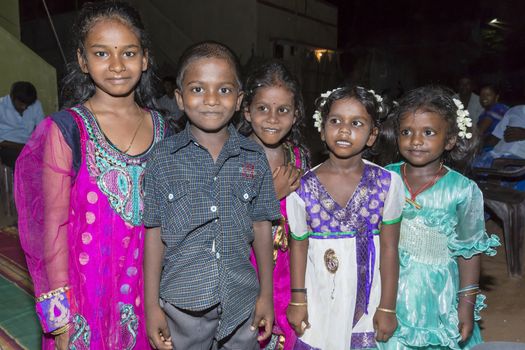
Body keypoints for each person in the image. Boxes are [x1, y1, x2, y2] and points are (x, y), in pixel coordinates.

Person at [14, 2, 169, 349]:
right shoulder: (67, 129)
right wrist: (59, 318)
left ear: (145, 59)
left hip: (145, 297)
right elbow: (50, 229)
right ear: (83, 61)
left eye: (128, 52)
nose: (116, 65)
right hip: (82, 300)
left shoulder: (164, 131)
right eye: (102, 53)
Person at [143, 42, 281, 350]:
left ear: (238, 100)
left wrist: (266, 296)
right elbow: (154, 233)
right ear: (179, 98)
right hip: (183, 304)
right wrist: (152, 306)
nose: (210, 100)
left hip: (242, 299)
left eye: (223, 90)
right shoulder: (163, 158)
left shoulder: (254, 157)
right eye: (197, 89)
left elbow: (262, 227)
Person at [378, 86, 500, 350]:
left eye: (428, 132)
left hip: (437, 294)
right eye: (406, 132)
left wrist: (466, 306)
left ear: (450, 140)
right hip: (388, 285)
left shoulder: (463, 190)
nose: (415, 140)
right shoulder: (385, 178)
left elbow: (469, 252)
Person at [286, 86, 405, 349]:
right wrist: (298, 300)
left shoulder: (387, 183)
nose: (343, 129)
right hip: (319, 295)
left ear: (372, 135)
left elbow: (389, 248)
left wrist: (387, 306)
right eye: (335, 121)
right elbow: (299, 245)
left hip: (368, 296)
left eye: (356, 123)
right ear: (322, 128)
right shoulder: (301, 187)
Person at [238, 60, 310, 350]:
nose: (272, 118)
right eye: (263, 108)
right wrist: (271, 193)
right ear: (246, 111)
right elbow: (224, 220)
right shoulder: (234, 155)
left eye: (283, 110)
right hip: (244, 276)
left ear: (295, 116)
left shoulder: (299, 157)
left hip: (288, 278)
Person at [0, 81, 44, 167]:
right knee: (24, 164)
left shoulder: (36, 105)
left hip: (31, 148)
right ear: (12, 97)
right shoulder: (1, 106)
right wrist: (24, 147)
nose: (24, 107)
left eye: (27, 105)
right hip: (8, 148)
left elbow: (42, 130)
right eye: (21, 104)